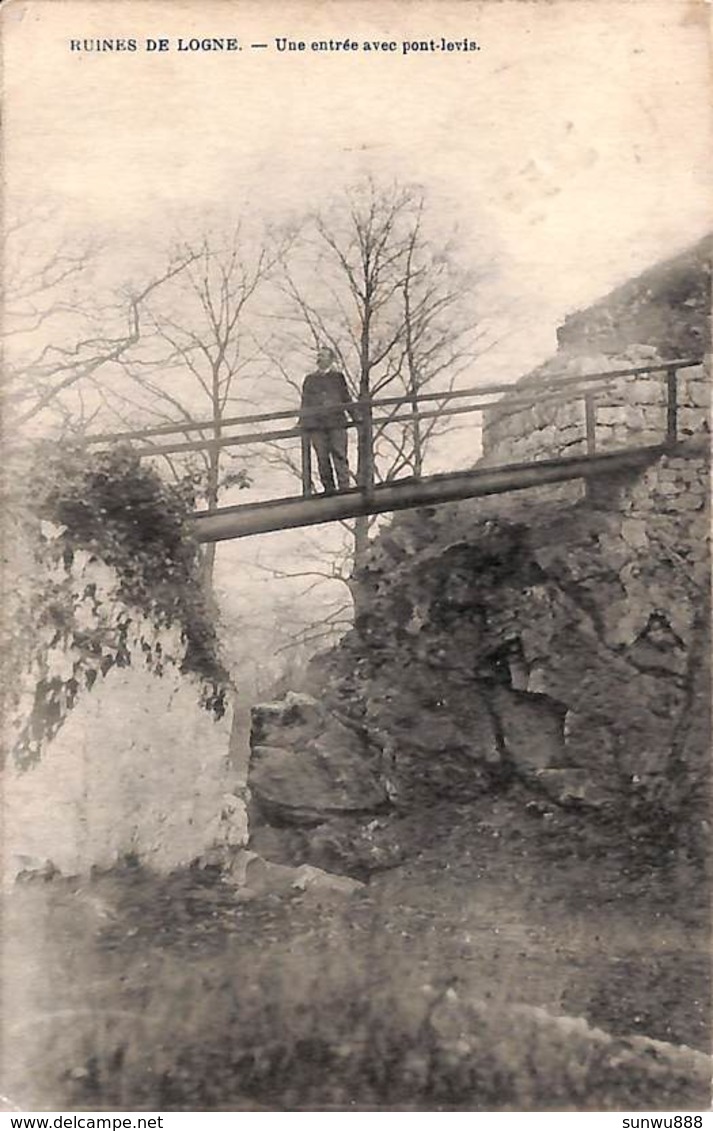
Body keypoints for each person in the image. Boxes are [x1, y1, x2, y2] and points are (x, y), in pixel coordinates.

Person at [299, 346, 357, 494]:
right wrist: (302, 422)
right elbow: (305, 402)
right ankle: (329, 490)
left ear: (331, 359)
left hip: (336, 422)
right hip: (317, 425)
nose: (320, 358)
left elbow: (345, 398)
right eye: (319, 356)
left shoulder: (338, 377)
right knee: (322, 459)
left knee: (339, 455)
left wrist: (356, 417)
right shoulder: (310, 379)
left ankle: (344, 488)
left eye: (323, 356)